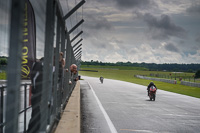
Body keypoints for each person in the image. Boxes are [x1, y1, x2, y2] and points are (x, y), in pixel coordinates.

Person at [27, 58, 43, 133]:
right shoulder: (39, 66)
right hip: (37, 94)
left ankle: (32, 130)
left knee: (36, 114)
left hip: (37, 93)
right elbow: (35, 79)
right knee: (36, 114)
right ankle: (32, 130)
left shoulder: (39, 65)